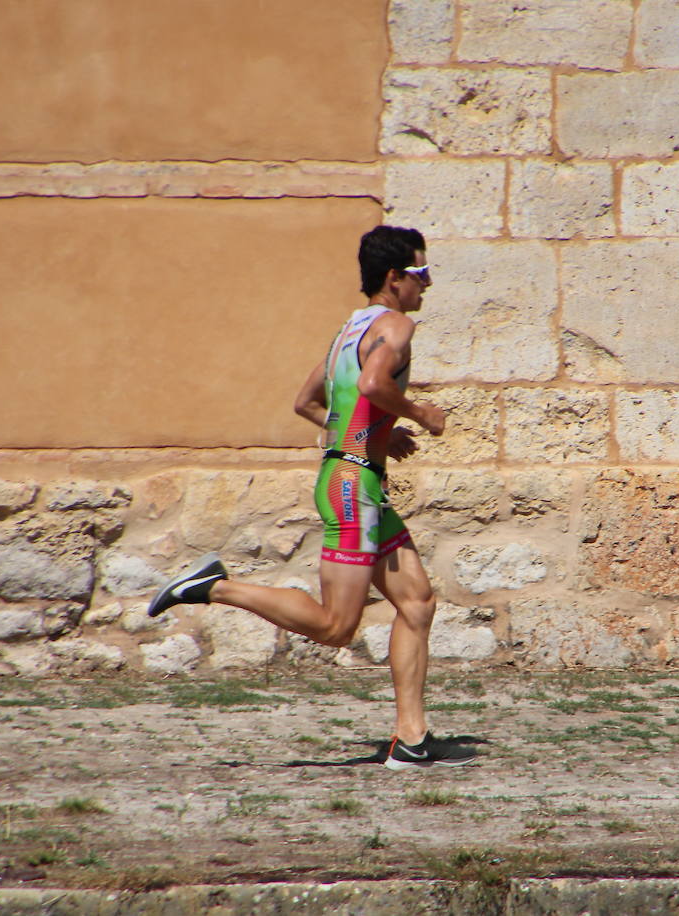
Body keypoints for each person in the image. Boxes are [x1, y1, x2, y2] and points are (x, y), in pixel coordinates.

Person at [148, 225, 476, 771]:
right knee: (336, 627)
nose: (427, 284)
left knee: (416, 602)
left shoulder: (348, 331)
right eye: (420, 274)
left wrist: (370, 433)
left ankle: (411, 739)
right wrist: (419, 414)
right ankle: (214, 587)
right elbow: (373, 386)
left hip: (355, 479)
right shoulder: (395, 325)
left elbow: (306, 402)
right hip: (354, 488)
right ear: (394, 280)